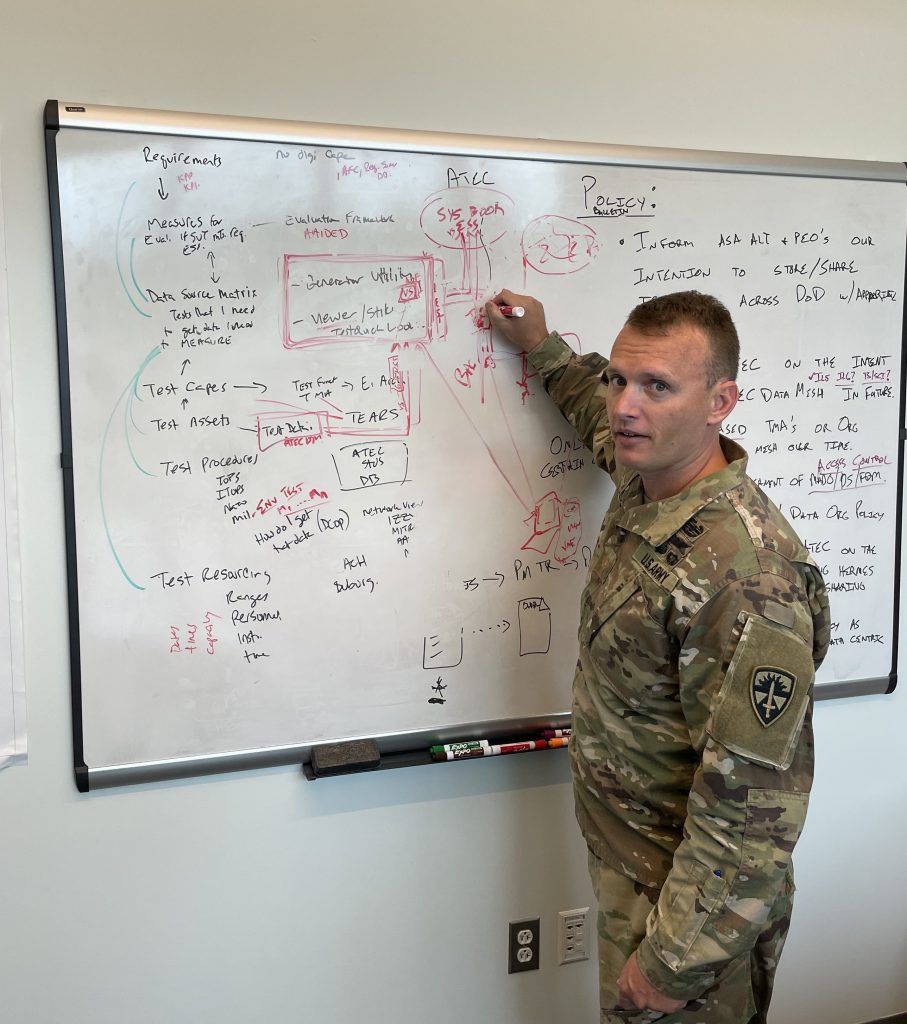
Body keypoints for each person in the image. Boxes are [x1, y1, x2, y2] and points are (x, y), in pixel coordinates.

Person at [485, 289, 830, 1024]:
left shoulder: (746, 577)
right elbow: (591, 412)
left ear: (719, 402)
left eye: (656, 386)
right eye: (619, 379)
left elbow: (752, 810)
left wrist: (675, 963)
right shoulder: (653, 480)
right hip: (633, 870)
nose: (623, 407)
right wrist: (541, 346)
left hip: (688, 913)